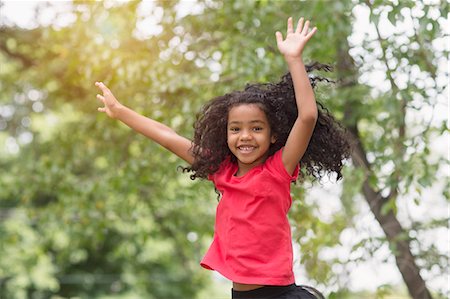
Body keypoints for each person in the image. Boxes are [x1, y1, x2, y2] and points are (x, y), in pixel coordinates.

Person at [95, 17, 351, 299]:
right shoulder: (221, 171)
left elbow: (307, 116)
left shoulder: (278, 170)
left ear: (273, 135)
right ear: (224, 134)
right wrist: (120, 111)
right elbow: (166, 135)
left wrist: (294, 59)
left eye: (256, 128)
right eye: (235, 129)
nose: (245, 136)